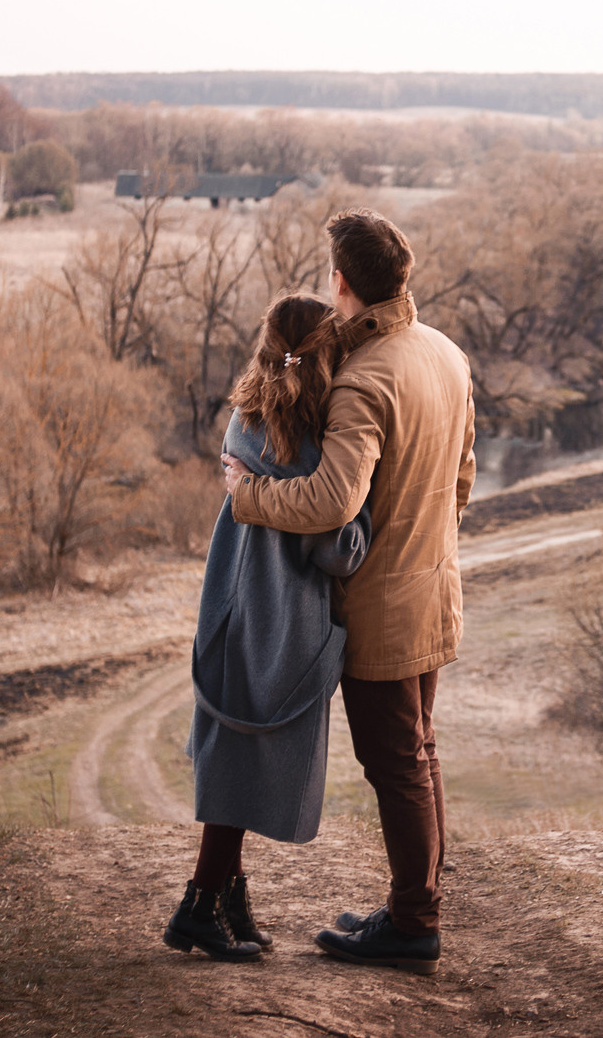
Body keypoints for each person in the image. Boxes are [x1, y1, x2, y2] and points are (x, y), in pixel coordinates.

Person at [222, 208, 476, 977]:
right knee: (419, 752)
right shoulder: (444, 353)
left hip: (384, 610)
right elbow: (461, 478)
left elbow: (332, 500)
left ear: (343, 283)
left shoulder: (365, 378)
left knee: (396, 759)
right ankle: (412, 905)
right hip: (436, 588)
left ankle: (413, 924)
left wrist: (249, 497)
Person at [164, 294, 371, 963]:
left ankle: (229, 896)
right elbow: (334, 549)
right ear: (324, 356)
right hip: (281, 618)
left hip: (229, 605)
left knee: (236, 750)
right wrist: (361, 523)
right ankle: (199, 902)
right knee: (246, 758)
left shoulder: (243, 419)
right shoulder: (310, 444)